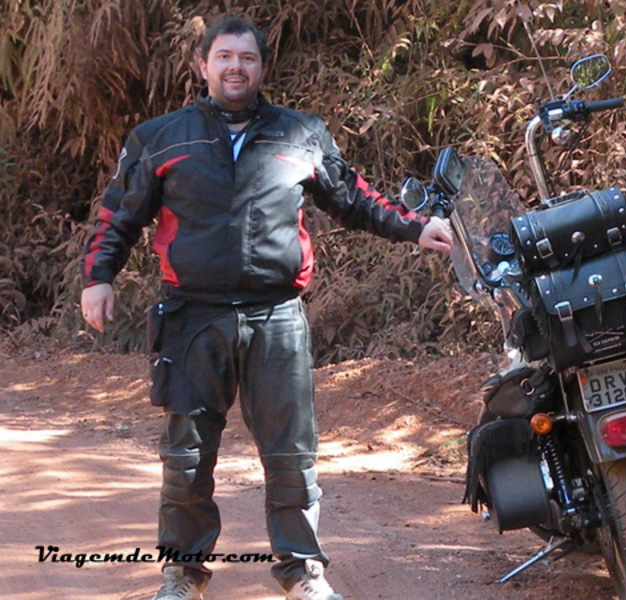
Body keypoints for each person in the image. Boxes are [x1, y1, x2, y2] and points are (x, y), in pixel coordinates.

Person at [80, 15, 452, 600]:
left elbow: (354, 197)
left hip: (275, 317)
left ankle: (302, 573)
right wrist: (98, 277)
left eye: (246, 59)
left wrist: (416, 227)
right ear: (202, 66)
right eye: (224, 57)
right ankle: (182, 574)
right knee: (185, 456)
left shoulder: (300, 133)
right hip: (191, 318)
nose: (235, 67)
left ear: (262, 68)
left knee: (290, 456)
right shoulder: (161, 137)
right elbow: (118, 214)